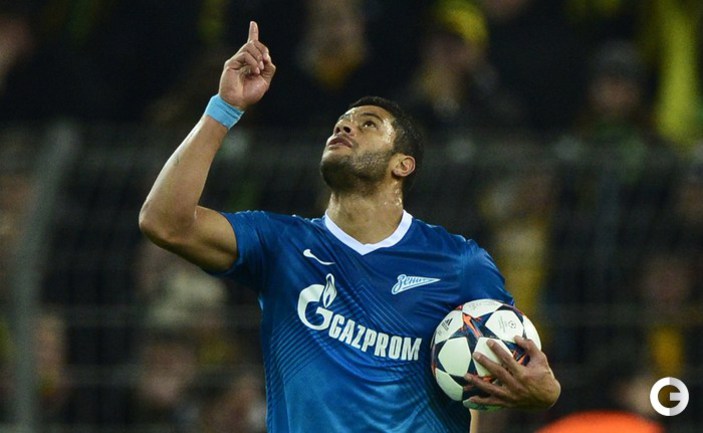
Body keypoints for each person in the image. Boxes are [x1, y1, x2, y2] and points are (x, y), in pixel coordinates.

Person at [138, 21, 561, 432]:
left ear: (402, 165)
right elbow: (164, 222)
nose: (345, 126)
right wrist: (224, 107)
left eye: (368, 124)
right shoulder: (282, 244)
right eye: (341, 122)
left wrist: (544, 391)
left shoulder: (459, 262)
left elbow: (516, 364)